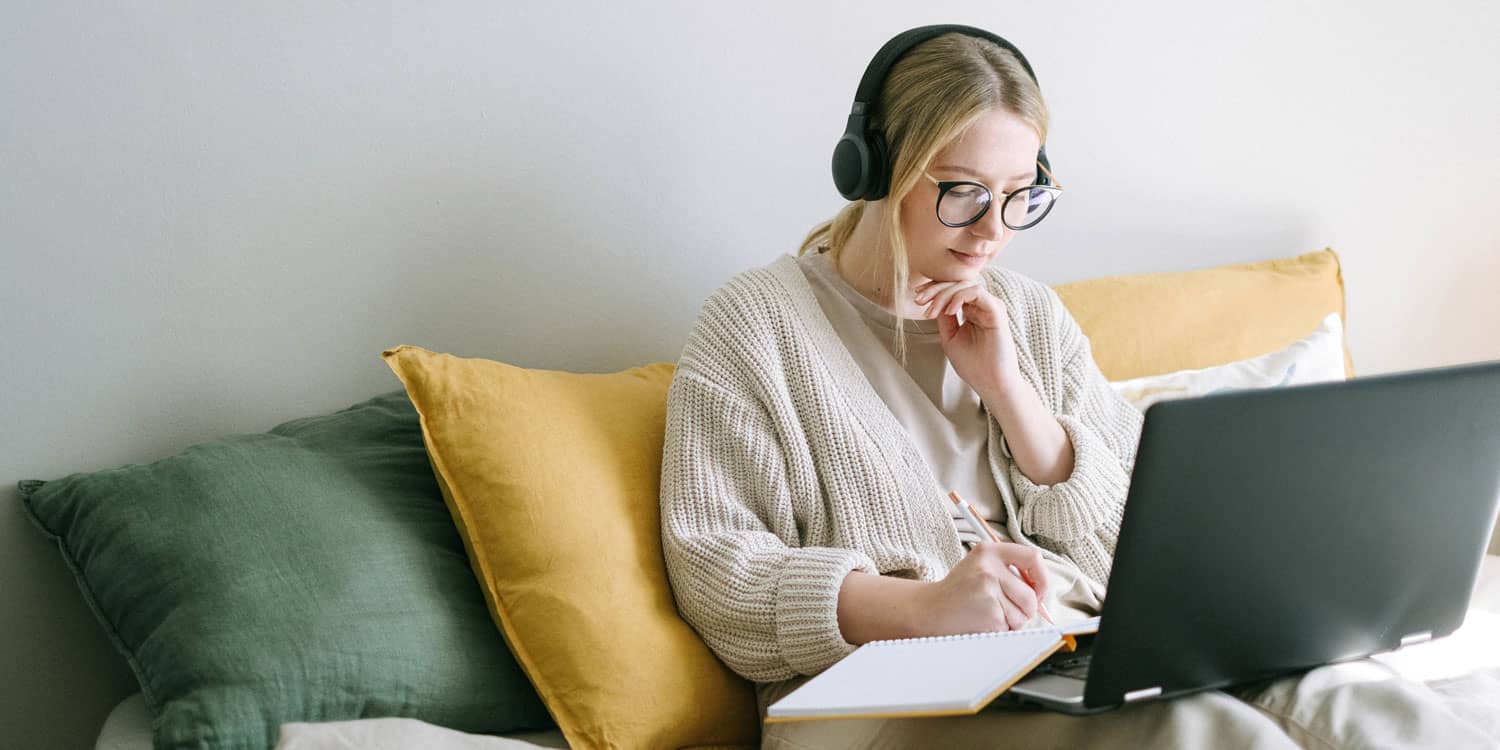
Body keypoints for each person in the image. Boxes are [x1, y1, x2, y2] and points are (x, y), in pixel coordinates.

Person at [658, 25, 1499, 749]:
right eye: (964, 194)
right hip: (872, 700)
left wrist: (1014, 396)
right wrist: (924, 608)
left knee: (1363, 703)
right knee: (1206, 734)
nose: (994, 231)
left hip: (1068, 652)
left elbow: (1139, 543)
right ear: (878, 169)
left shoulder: (1027, 313)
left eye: (1022, 197)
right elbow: (723, 579)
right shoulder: (754, 326)